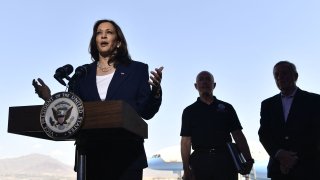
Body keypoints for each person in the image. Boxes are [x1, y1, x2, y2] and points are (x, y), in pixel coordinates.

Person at [32, 19, 163, 180]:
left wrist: (155, 91)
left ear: (118, 42)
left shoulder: (137, 70)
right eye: (99, 33)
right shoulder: (82, 74)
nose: (103, 36)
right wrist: (48, 98)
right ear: (95, 41)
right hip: (90, 156)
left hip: (127, 157)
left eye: (109, 32)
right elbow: (71, 111)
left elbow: (146, 111)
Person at [180, 71, 254, 180]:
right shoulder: (189, 111)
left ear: (214, 85)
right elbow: (186, 141)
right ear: (196, 86)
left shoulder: (227, 108)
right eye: (201, 79)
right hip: (200, 163)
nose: (205, 82)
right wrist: (186, 169)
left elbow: (238, 135)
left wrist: (249, 159)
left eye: (208, 79)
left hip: (226, 162)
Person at [258, 61, 320, 180]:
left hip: (308, 169)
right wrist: (279, 155)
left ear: (295, 76)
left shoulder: (315, 101)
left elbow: (316, 133)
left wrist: (292, 159)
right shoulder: (267, 104)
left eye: (284, 73)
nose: (280, 77)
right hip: (278, 171)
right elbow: (264, 133)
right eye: (276, 75)